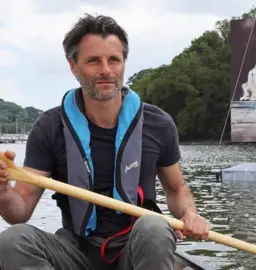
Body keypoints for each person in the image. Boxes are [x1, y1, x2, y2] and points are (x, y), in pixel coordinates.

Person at [0, 13, 210, 270]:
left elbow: (177, 190)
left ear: (124, 63)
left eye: (114, 60)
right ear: (73, 66)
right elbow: (17, 212)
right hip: (75, 248)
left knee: (155, 226)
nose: (106, 71)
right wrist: (2, 191)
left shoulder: (159, 124)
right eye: (93, 61)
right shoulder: (50, 127)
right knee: (12, 240)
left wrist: (189, 213)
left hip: (137, 246)